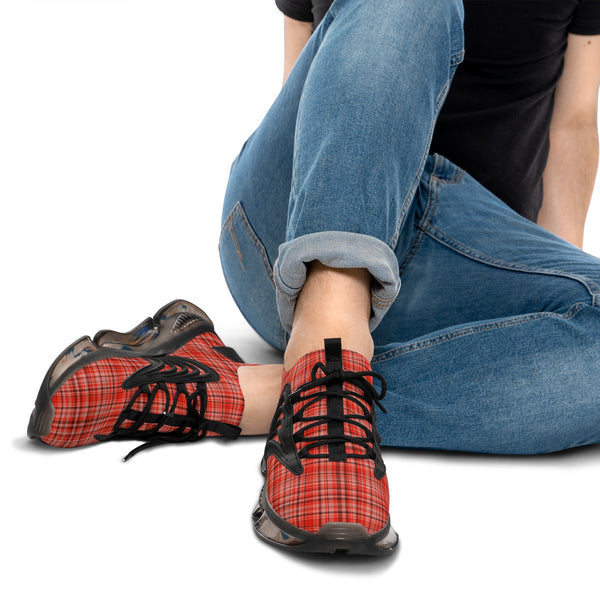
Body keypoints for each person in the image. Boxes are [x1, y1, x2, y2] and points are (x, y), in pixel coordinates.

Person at [27, 0, 600, 556]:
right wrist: (337, 225)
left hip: (456, 257)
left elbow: (574, 122)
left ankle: (260, 393)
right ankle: (330, 332)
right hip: (291, 238)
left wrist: (550, 311)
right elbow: (301, 85)